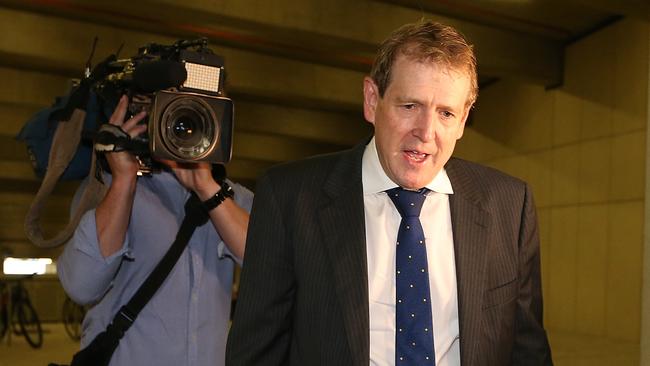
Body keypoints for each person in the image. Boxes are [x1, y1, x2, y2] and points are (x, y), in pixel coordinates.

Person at [226, 20, 552, 365]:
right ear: (371, 100)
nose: (426, 133)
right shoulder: (290, 196)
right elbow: (256, 351)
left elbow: (527, 351)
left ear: (463, 119)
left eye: (446, 113)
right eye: (410, 106)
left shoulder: (510, 205)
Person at [58, 95, 253, 366]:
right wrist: (123, 179)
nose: (182, 125)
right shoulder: (107, 189)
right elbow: (81, 286)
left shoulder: (233, 198)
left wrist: (208, 189)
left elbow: (268, 263)